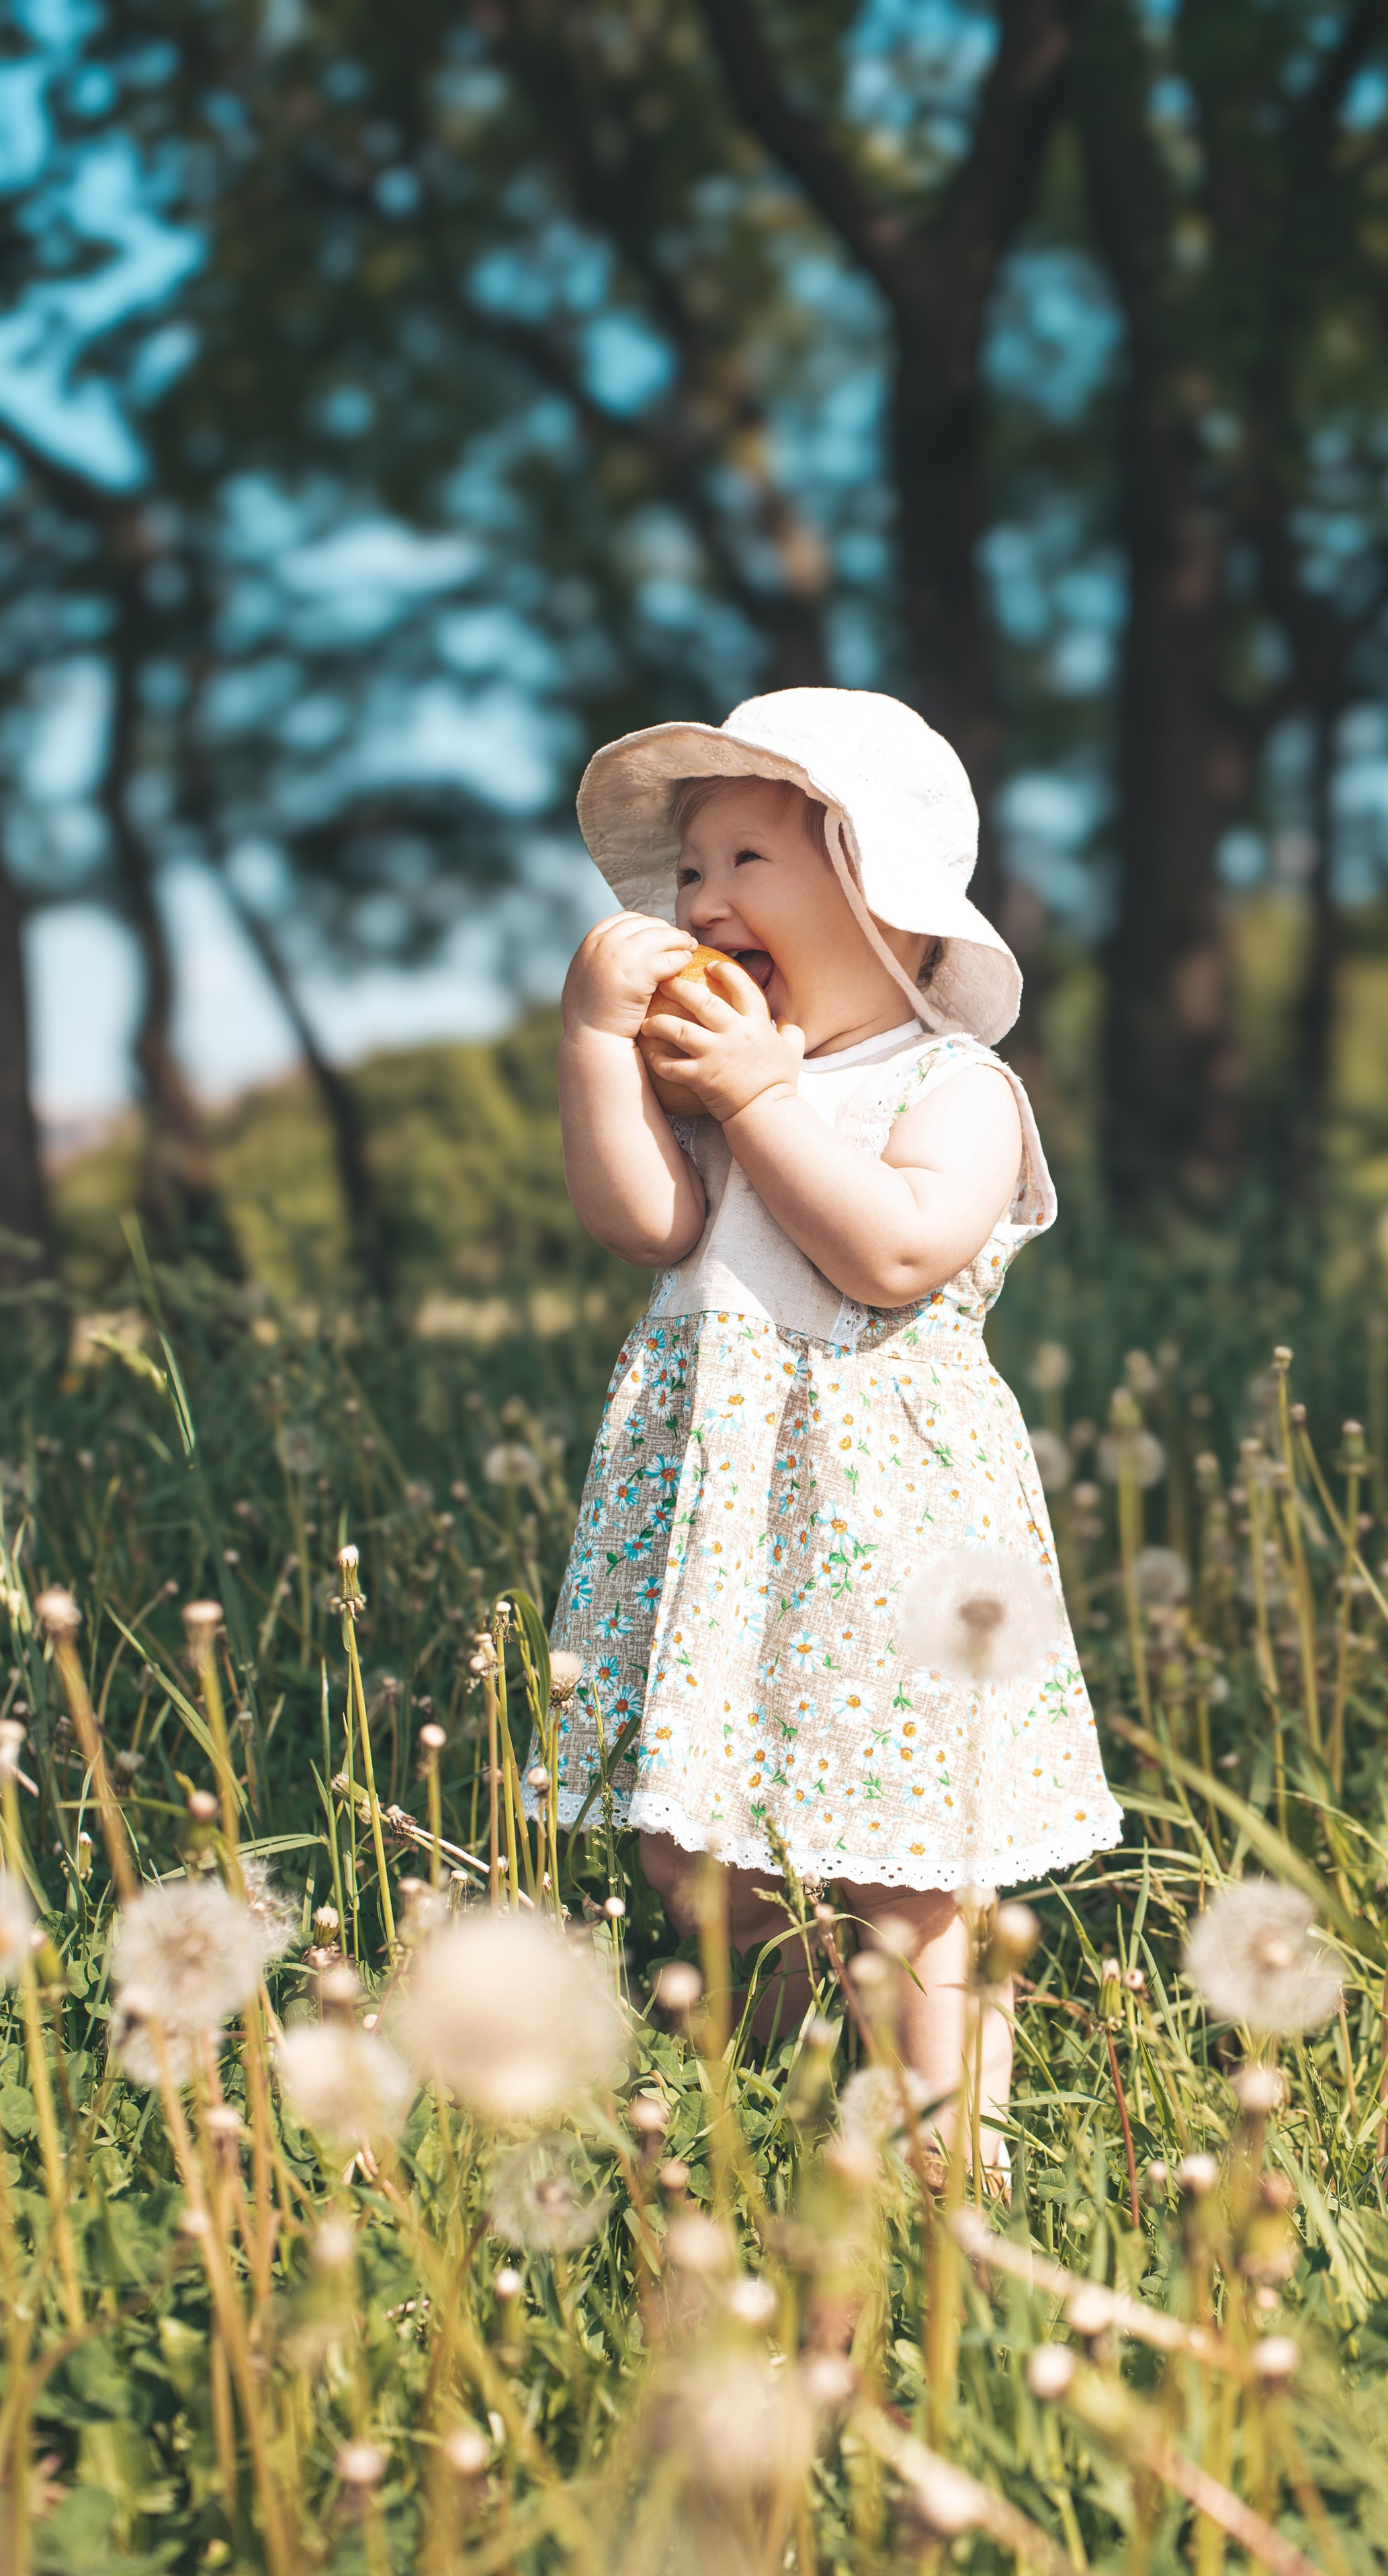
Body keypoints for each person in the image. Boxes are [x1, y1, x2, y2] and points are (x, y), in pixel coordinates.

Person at [548, 686, 1121, 2177]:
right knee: (693, 1844)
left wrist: (759, 1098)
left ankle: (944, 2156)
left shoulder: (955, 1085)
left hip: (892, 1534)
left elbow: (888, 1253)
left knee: (908, 1867)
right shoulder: (728, 1094)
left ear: (889, 907)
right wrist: (600, 1043)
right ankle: (799, 2057)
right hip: (728, 1519)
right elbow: (645, 1221)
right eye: (688, 872)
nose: (701, 900)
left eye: (748, 861)